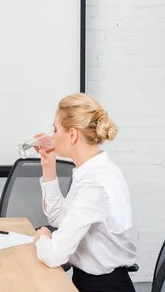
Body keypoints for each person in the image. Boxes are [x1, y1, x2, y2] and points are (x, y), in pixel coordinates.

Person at [33, 93, 138, 292]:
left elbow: (55, 255)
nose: (52, 136)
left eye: (55, 129)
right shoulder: (91, 171)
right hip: (88, 281)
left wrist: (43, 237)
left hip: (103, 287)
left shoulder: (94, 184)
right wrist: (48, 167)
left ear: (72, 135)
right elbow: (57, 218)